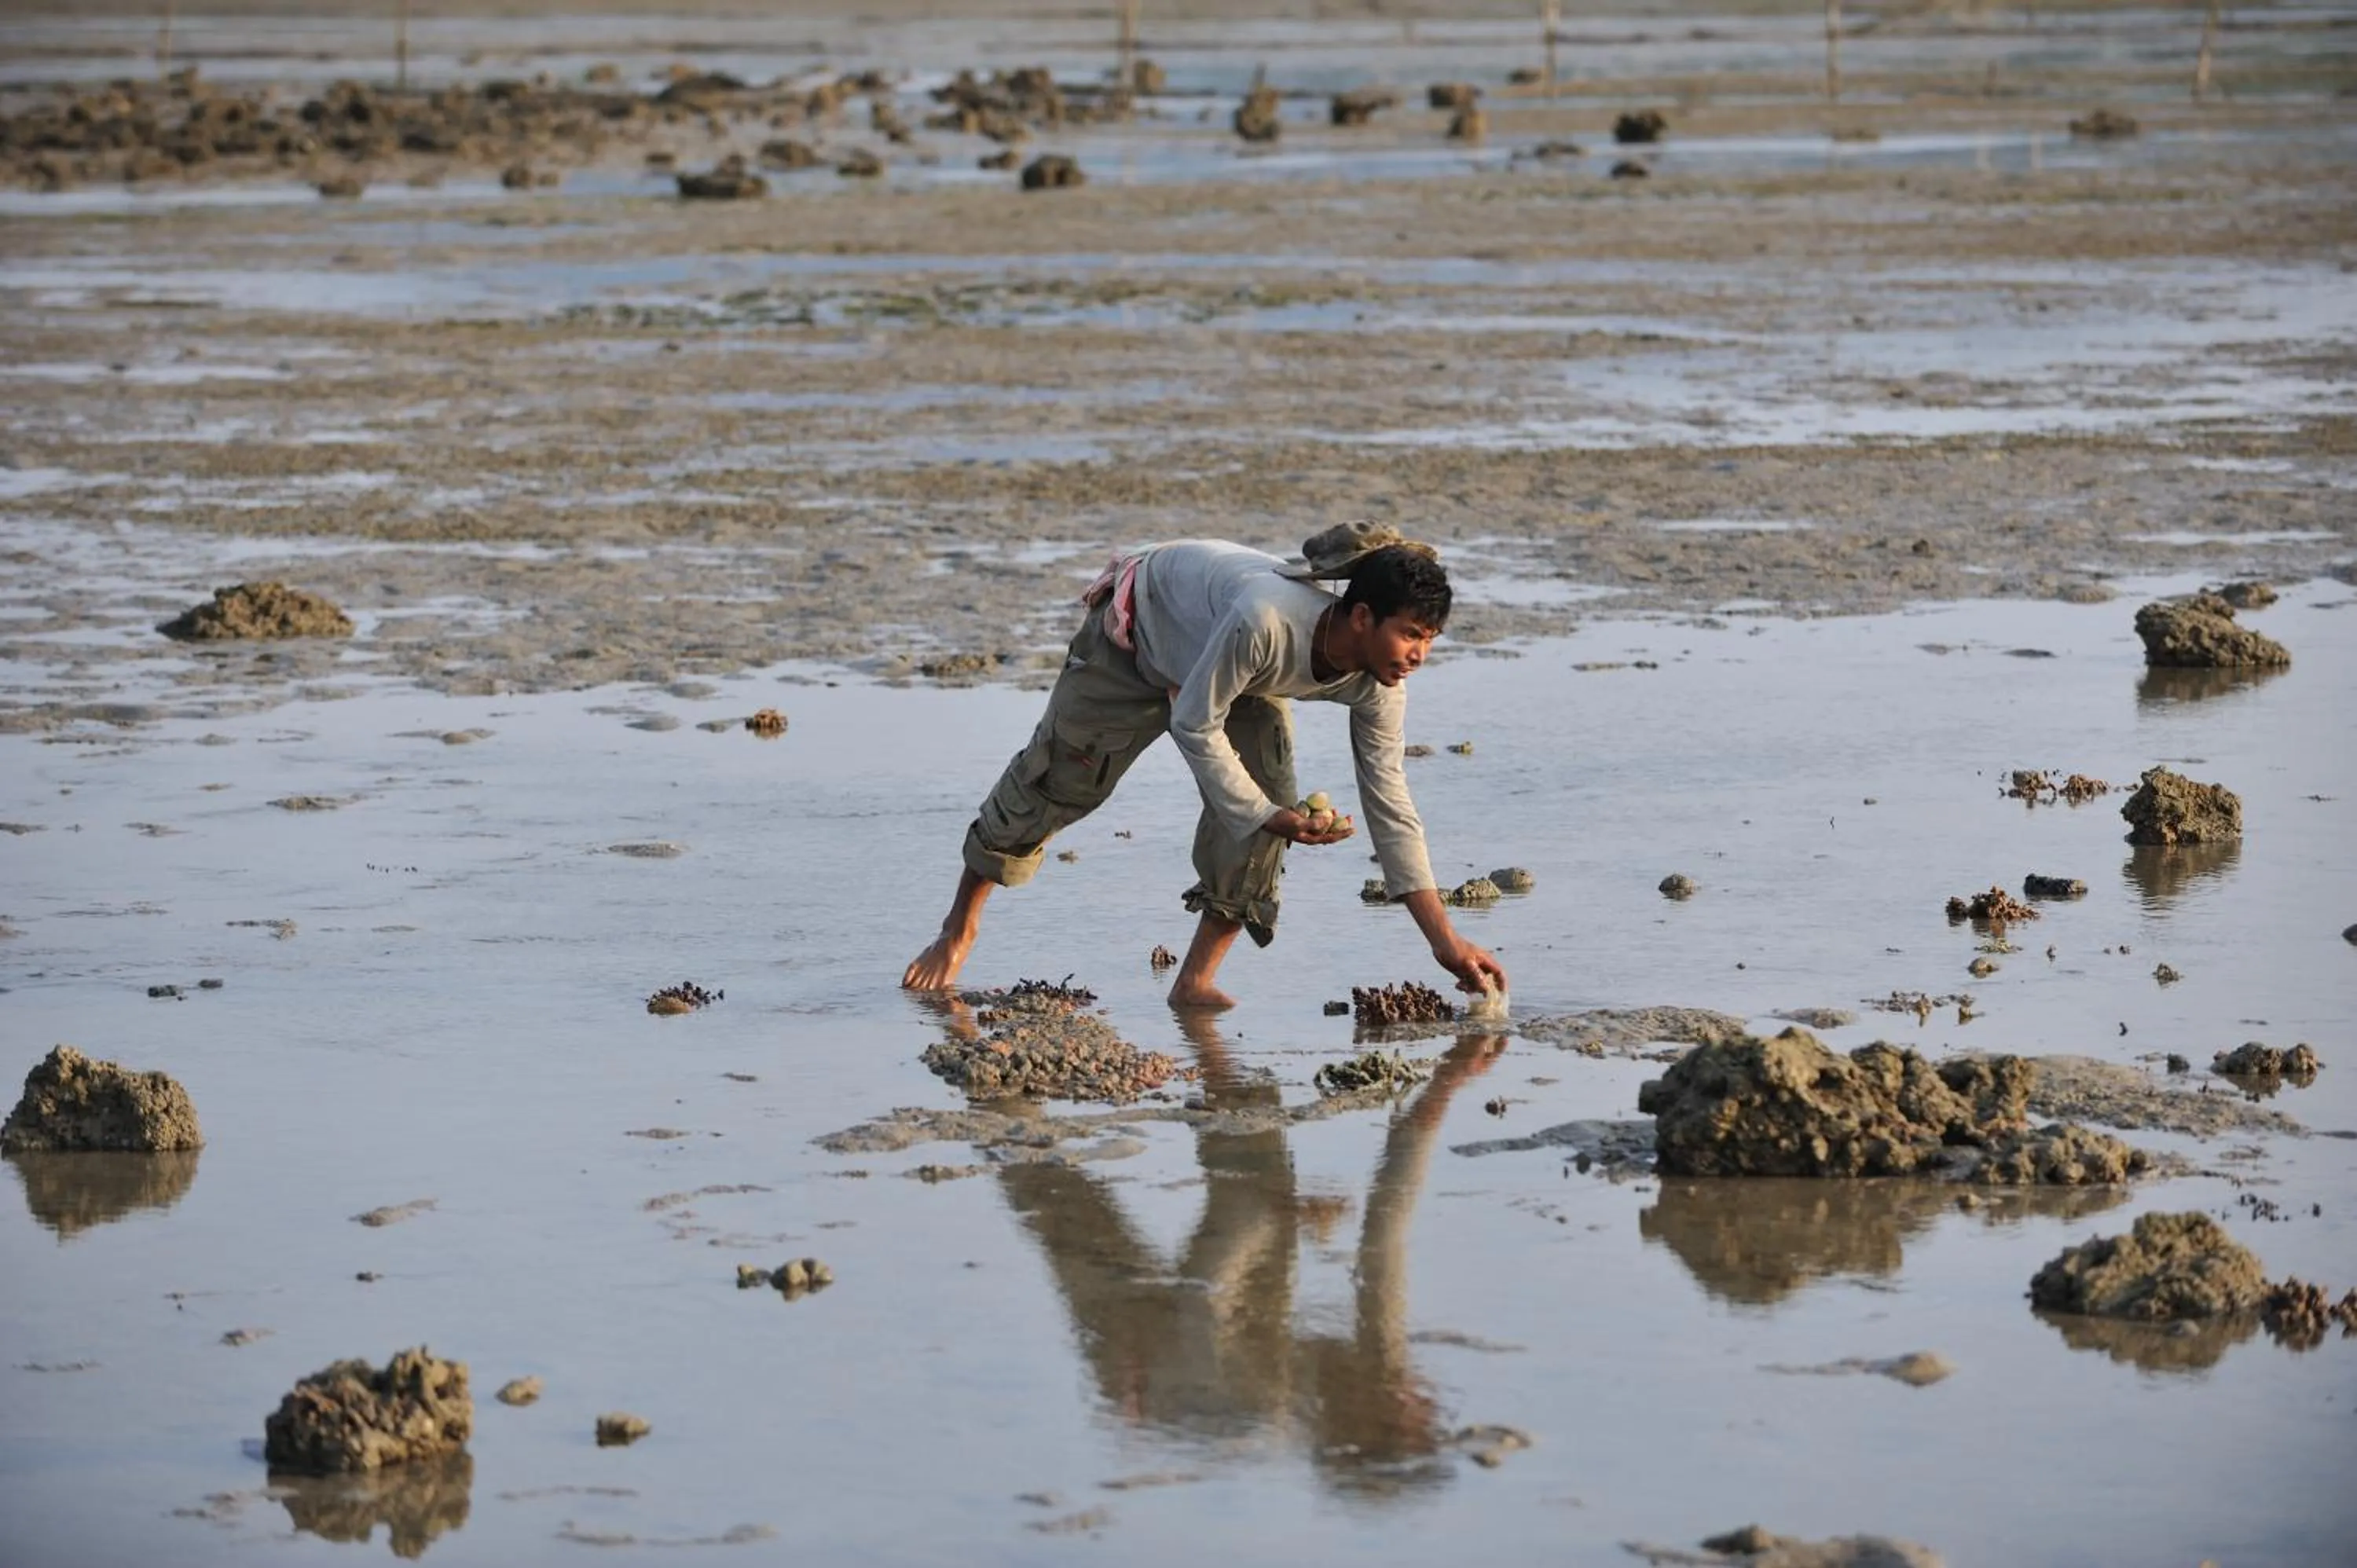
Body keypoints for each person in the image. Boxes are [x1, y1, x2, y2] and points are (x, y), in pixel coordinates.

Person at [900, 522, 1508, 1009]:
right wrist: (1263, 815)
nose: (1419, 656)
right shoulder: (1267, 622)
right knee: (1059, 781)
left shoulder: (1382, 684)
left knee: (1270, 798)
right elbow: (1194, 723)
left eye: (1430, 640)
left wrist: (1445, 941)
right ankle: (958, 930)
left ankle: (1194, 982)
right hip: (1144, 632)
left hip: (1232, 670)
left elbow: (1390, 803)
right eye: (1410, 635)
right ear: (1362, 617)